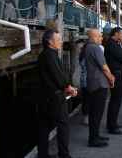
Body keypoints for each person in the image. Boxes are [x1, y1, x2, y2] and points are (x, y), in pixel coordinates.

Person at [38, 29, 77, 158]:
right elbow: (58, 76)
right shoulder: (50, 55)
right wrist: (69, 87)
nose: (61, 42)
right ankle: (64, 155)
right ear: (50, 41)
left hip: (45, 97)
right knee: (63, 125)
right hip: (54, 97)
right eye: (58, 39)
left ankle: (42, 154)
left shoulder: (45, 54)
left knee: (44, 127)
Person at [85, 29, 115, 147]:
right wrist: (111, 78)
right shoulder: (95, 48)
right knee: (97, 113)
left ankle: (95, 136)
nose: (101, 38)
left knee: (94, 113)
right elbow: (104, 66)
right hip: (99, 84)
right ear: (92, 37)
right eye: (99, 36)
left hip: (93, 83)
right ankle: (93, 139)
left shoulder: (87, 47)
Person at [104, 27, 122, 134]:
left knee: (116, 100)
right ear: (116, 34)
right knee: (115, 100)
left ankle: (113, 123)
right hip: (117, 75)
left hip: (118, 74)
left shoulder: (114, 44)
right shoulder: (112, 44)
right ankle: (112, 126)